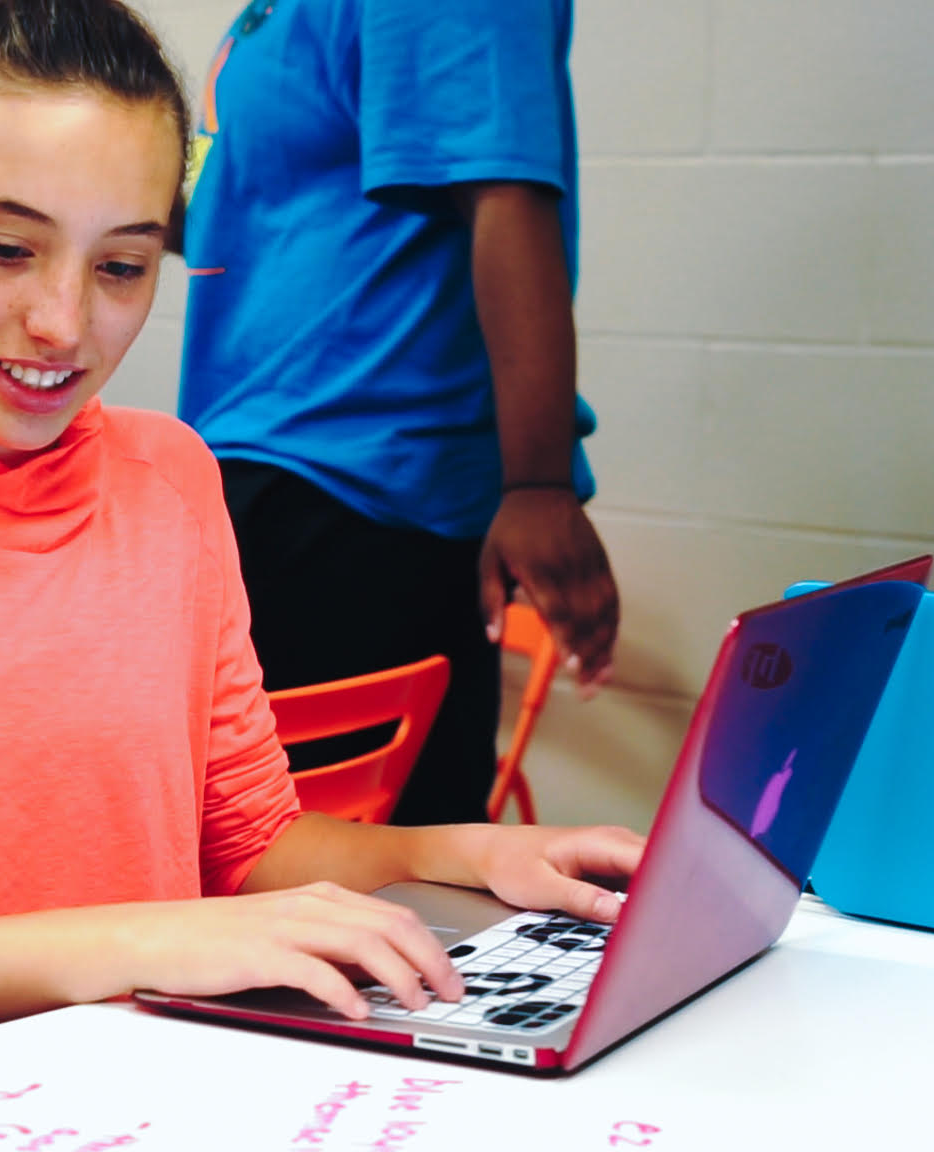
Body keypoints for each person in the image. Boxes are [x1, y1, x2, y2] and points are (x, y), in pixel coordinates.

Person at [0, 0, 644, 1100]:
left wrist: (463, 855)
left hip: (133, 1100)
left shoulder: (169, 480)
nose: (61, 322)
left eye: (121, 267)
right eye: (8, 249)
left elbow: (249, 843)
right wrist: (146, 945)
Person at [177, 0, 621, 826]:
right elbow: (222, 208)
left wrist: (537, 486)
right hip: (256, 477)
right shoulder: (267, 19)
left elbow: (506, 193)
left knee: (362, 900)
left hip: (356, 495)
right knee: (252, 887)